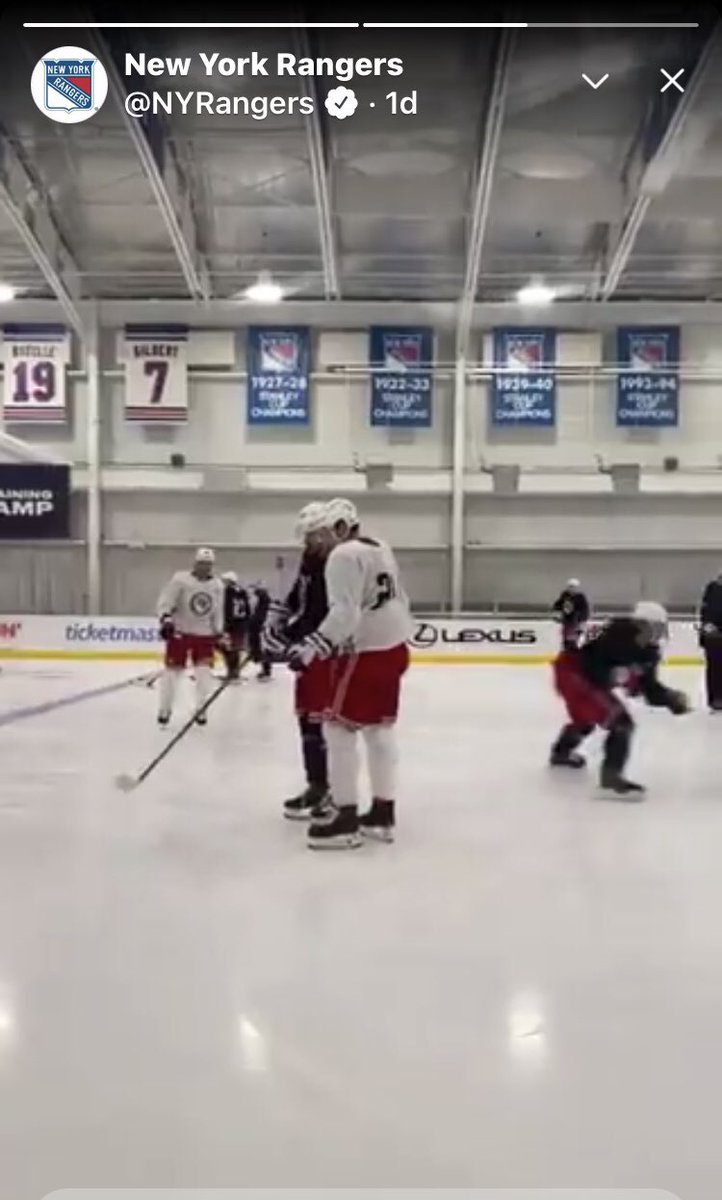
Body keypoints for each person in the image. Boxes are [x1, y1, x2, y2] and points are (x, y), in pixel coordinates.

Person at [286, 498, 412, 849]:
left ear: (341, 527)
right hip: (394, 647)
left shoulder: (342, 556)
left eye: (318, 535)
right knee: (378, 730)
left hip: (365, 652)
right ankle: (383, 814)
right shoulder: (380, 546)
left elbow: (345, 613)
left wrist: (311, 648)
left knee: (337, 729)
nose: (313, 544)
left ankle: (345, 820)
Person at [549, 599, 689, 797]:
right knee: (619, 721)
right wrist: (615, 675)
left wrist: (670, 700)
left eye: (658, 627)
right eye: (649, 626)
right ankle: (610, 778)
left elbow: (648, 688)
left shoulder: (648, 653)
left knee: (587, 717)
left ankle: (561, 753)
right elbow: (591, 666)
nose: (653, 632)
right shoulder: (617, 633)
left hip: (579, 677)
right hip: (574, 675)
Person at [262, 502, 333, 821]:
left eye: (312, 536)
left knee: (325, 723)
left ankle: (334, 791)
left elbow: (328, 612)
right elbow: (298, 599)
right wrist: (276, 622)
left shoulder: (338, 561)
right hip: (306, 651)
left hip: (327, 653)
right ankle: (316, 785)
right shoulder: (310, 559)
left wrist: (298, 638)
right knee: (306, 720)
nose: (308, 543)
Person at [156, 547, 224, 726]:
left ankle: (201, 709)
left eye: (208, 564)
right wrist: (166, 618)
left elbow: (217, 611)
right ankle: (165, 708)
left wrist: (219, 631)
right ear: (195, 563)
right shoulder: (180, 580)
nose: (205, 567)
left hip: (204, 634)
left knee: (204, 674)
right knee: (172, 673)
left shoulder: (217, 585)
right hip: (180, 631)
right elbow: (167, 600)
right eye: (202, 563)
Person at [220, 570, 250, 682]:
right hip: (241, 625)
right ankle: (234, 671)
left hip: (231, 625)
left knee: (227, 648)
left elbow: (226, 609)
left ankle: (232, 672)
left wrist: (225, 625)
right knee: (234, 649)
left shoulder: (228, 592)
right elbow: (247, 610)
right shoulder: (242, 592)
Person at [699, 571, 722, 710]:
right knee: (715, 667)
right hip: (714, 637)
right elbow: (706, 613)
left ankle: (717, 699)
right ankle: (716, 699)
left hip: (713, 636)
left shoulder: (712, 588)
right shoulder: (712, 589)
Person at [552, 578, 590, 649]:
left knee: (573, 640)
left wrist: (582, 621)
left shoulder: (580, 597)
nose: (572, 589)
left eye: (574, 587)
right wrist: (556, 613)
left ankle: (573, 652)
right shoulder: (565, 595)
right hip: (567, 621)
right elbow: (558, 605)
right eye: (570, 587)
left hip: (576, 622)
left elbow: (585, 610)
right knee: (566, 640)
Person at [248, 581, 273, 680]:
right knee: (263, 648)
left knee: (262, 648)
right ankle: (266, 669)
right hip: (260, 625)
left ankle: (266, 670)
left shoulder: (262, 602)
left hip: (259, 625)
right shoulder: (264, 602)